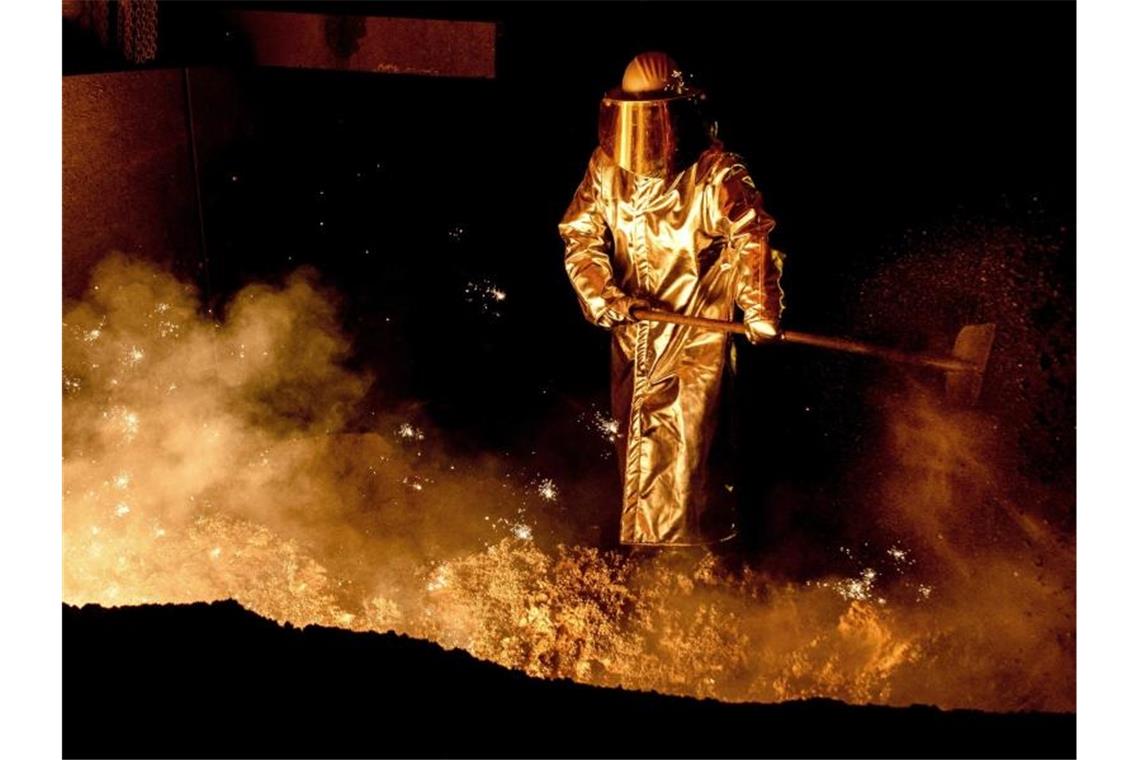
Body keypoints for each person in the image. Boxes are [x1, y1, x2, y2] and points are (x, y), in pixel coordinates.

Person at [559, 52, 784, 547]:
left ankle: (702, 562)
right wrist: (603, 296)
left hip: (697, 334)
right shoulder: (606, 168)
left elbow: (752, 237)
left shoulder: (715, 173)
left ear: (680, 112)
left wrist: (759, 307)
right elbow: (580, 235)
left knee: (691, 451)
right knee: (638, 443)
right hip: (634, 333)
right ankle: (647, 556)